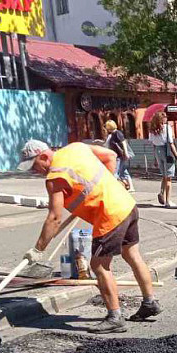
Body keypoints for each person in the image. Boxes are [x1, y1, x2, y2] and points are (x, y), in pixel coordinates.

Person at [18, 139, 161, 333]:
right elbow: (111, 156)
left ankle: (114, 317)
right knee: (132, 254)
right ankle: (150, 302)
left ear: (43, 156)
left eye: (35, 166)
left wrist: (38, 249)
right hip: (126, 205)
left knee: (98, 265)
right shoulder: (76, 147)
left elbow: (54, 218)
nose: (36, 171)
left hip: (110, 215)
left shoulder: (55, 176)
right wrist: (106, 188)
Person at [149, 111, 177, 207]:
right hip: (167, 151)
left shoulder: (152, 130)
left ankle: (161, 193)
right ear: (162, 119)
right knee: (169, 178)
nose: (166, 119)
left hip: (158, 152)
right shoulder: (167, 128)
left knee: (164, 175)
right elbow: (171, 144)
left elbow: (153, 145)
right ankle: (168, 201)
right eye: (165, 117)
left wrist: (154, 159)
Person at [104, 119, 132, 191]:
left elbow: (123, 143)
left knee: (116, 172)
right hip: (117, 156)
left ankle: (115, 189)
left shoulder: (117, 133)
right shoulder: (112, 134)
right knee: (122, 172)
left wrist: (125, 153)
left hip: (119, 156)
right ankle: (128, 186)